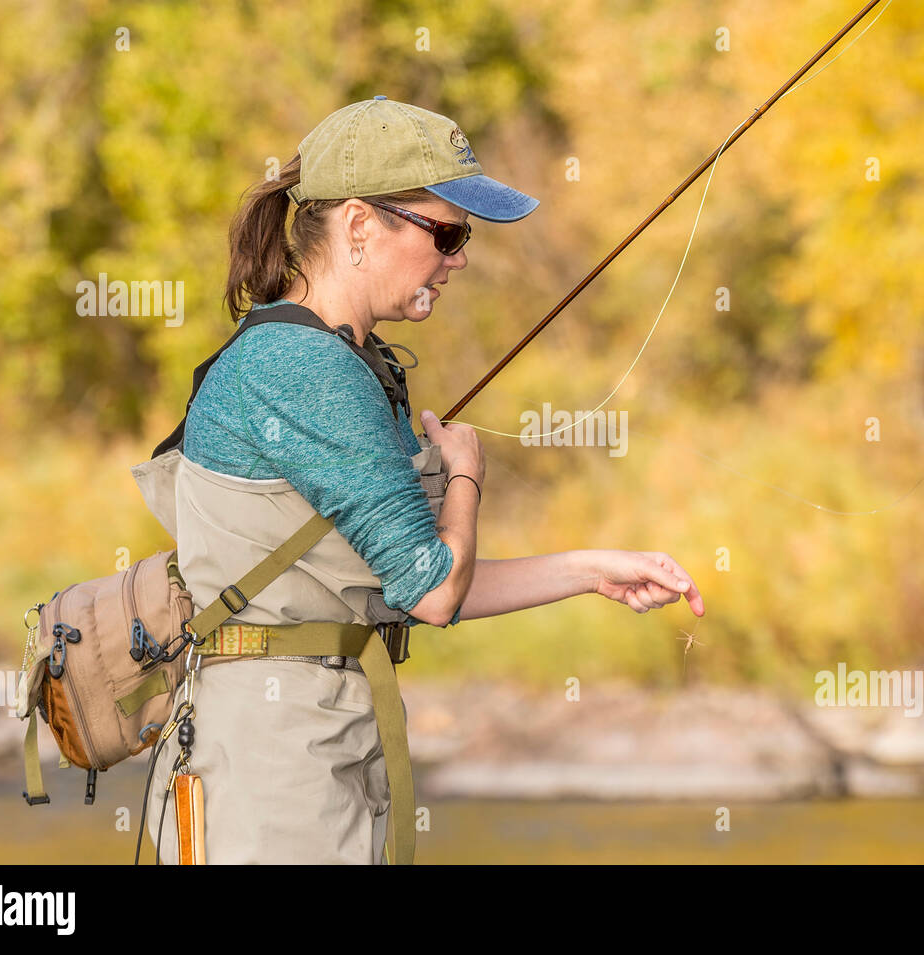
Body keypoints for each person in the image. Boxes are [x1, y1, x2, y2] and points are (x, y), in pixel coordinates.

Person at [139, 97, 704, 864]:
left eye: (462, 236)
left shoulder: (337, 363)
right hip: (273, 780)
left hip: (315, 751)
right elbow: (435, 589)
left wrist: (592, 570)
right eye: (446, 231)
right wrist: (466, 474)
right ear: (360, 227)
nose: (460, 257)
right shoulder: (305, 369)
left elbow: (416, 580)